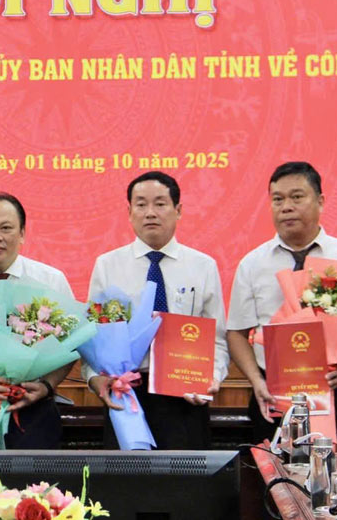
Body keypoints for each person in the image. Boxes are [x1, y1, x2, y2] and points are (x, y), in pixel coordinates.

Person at [226, 161, 337, 442]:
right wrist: (256, 381)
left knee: (336, 466)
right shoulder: (253, 264)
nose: (286, 207)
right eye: (278, 199)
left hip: (334, 389)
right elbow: (237, 333)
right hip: (273, 394)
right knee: (274, 468)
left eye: (297, 197)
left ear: (320, 201)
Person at [83, 171, 229, 449]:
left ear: (178, 210)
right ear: (129, 212)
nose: (150, 212)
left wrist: (212, 378)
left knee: (186, 476)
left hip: (185, 395)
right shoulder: (107, 265)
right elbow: (93, 336)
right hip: (127, 393)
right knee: (127, 476)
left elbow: (218, 339)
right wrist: (95, 380)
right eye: (141, 204)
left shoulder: (203, 266)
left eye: (160, 204)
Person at [0, 192, 75, 448]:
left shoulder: (50, 281)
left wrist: (47, 385)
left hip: (34, 410)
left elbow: (71, 346)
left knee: (36, 477)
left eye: (5, 228)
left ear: (22, 233)